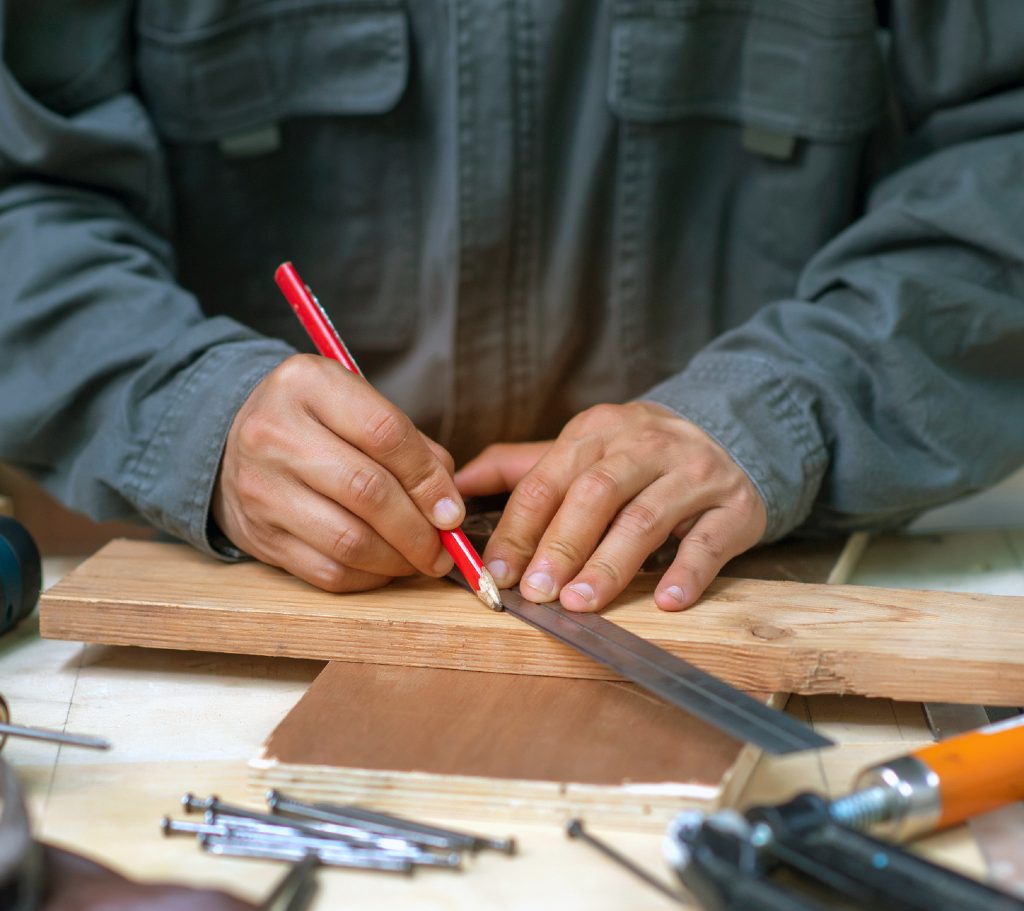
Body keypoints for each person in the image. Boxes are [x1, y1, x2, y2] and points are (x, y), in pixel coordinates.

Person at [1, 1, 1022, 614]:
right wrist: (192, 413)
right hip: (239, 611)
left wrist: (783, 411)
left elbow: (1002, 157)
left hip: (764, 585)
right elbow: (20, 188)